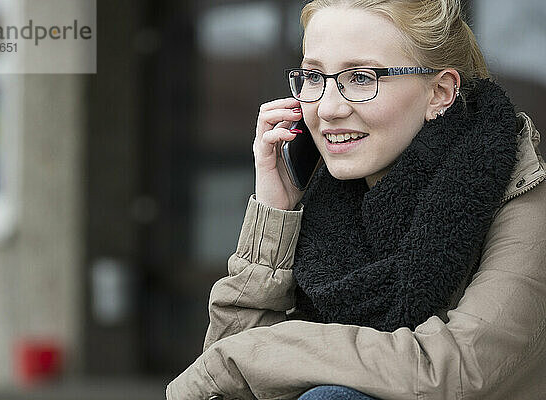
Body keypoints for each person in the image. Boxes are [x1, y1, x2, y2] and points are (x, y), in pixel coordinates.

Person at [166, 0, 546, 398]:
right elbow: (228, 389)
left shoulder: (517, 194)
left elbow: (453, 373)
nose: (328, 108)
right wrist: (275, 214)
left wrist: (255, 353)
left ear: (440, 92)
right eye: (314, 76)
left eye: (362, 78)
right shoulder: (330, 202)